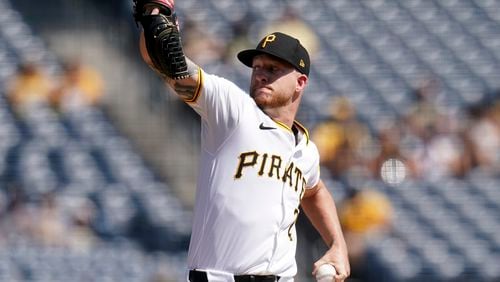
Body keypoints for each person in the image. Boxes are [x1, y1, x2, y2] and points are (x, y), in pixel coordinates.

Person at [133, 1, 350, 281]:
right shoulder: (232, 110)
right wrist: (154, 14)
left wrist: (338, 244)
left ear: (300, 82)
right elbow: (166, 63)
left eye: (272, 69)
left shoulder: (305, 150)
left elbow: (315, 191)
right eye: (257, 67)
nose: (260, 73)